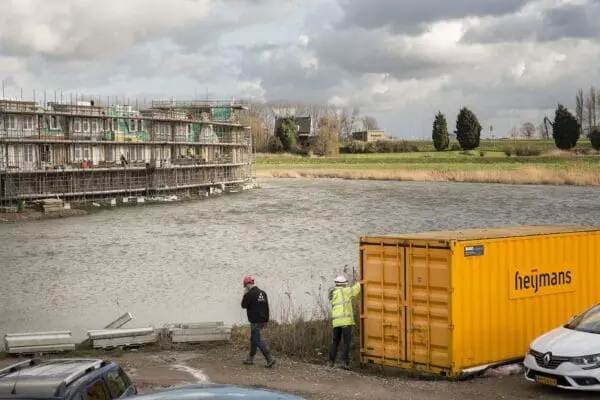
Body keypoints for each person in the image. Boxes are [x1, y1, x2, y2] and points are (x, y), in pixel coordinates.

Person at [241, 276, 276, 368]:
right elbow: (267, 307)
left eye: (245, 286)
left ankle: (269, 358)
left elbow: (243, 305)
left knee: (256, 340)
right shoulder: (263, 293)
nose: (245, 288)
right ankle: (250, 359)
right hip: (262, 320)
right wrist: (266, 320)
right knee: (253, 339)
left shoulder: (250, 294)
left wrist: (245, 294)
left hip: (255, 321)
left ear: (247, 285)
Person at [328, 275, 361, 369]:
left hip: (336, 322)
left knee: (335, 342)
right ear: (344, 284)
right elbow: (357, 288)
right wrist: (361, 280)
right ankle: (345, 363)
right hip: (346, 321)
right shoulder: (345, 291)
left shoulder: (332, 293)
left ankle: (331, 362)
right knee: (346, 342)